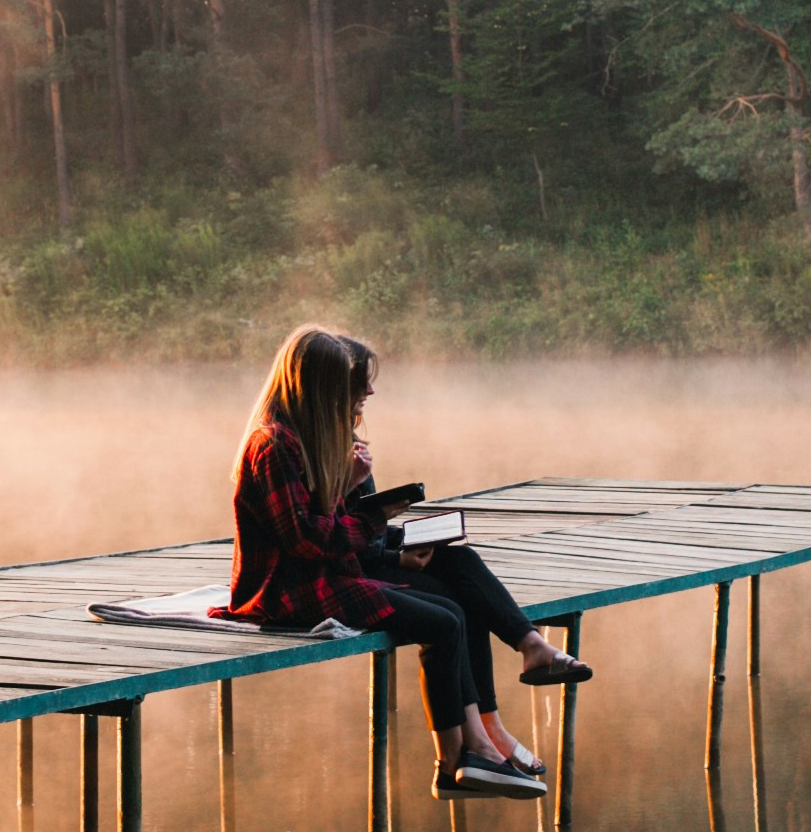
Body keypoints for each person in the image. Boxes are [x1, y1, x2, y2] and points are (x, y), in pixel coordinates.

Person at [228, 325, 588, 800]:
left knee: (459, 583)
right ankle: (455, 760)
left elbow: (347, 529)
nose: (369, 392)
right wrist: (358, 498)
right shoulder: (271, 447)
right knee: (443, 622)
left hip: (332, 572)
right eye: (356, 382)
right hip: (290, 590)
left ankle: (508, 687)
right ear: (320, 386)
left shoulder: (323, 438)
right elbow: (308, 540)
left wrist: (393, 537)